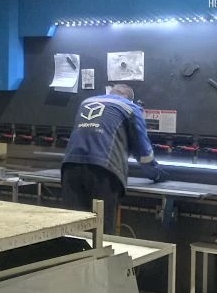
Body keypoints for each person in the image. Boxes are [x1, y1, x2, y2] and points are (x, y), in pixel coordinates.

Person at [61, 84, 163, 232]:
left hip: (70, 168)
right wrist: (157, 174)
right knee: (101, 231)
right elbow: (143, 152)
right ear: (130, 99)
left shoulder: (86, 102)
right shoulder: (131, 108)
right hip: (103, 172)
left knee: (73, 229)